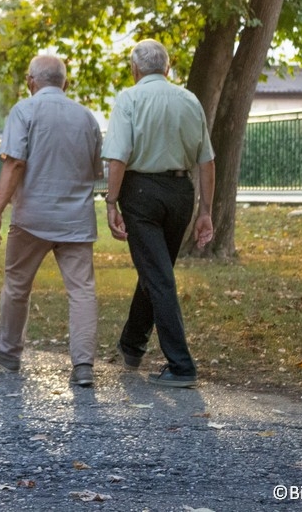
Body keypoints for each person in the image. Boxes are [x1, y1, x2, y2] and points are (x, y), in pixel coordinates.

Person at [0, 54, 104, 388]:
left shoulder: (24, 110)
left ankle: (8, 349)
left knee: (18, 285)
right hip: (76, 220)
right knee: (82, 291)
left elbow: (15, 164)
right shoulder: (86, 118)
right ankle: (83, 366)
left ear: (30, 81)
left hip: (31, 218)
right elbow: (95, 171)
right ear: (66, 82)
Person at [102, 39, 216, 389]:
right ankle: (132, 345)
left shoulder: (129, 99)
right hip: (181, 194)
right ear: (167, 68)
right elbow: (207, 161)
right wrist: (205, 211)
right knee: (156, 271)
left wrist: (111, 201)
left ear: (135, 70)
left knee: (158, 275)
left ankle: (181, 366)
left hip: (141, 194)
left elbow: (118, 157)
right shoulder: (189, 100)